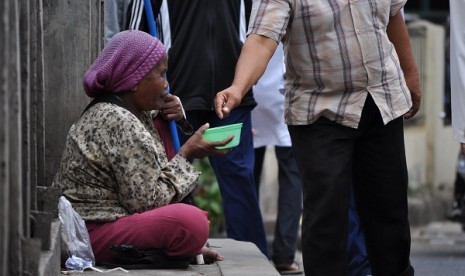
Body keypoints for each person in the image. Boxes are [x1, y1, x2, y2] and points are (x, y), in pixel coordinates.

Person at [214, 0, 421, 275]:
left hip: (381, 101)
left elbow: (393, 16)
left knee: (389, 212)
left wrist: (410, 74)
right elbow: (263, 38)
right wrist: (239, 87)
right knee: (327, 217)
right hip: (320, 110)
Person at [52, 30, 231, 266]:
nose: (167, 84)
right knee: (192, 223)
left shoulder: (128, 109)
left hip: (109, 220)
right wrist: (187, 154)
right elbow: (147, 203)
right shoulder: (119, 121)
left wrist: (177, 116)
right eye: (161, 74)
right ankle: (165, 251)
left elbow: (159, 121)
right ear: (135, 80)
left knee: (162, 122)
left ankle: (171, 248)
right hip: (89, 234)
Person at [121, 0, 269, 257]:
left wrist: (242, 84)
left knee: (239, 175)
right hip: (173, 95)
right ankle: (171, 246)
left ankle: (254, 257)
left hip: (233, 93)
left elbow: (259, 30)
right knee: (167, 175)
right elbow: (133, 37)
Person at [253, 43, 371, 276]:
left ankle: (256, 251)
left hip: (258, 86)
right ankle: (285, 255)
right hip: (294, 88)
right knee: (294, 175)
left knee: (250, 172)